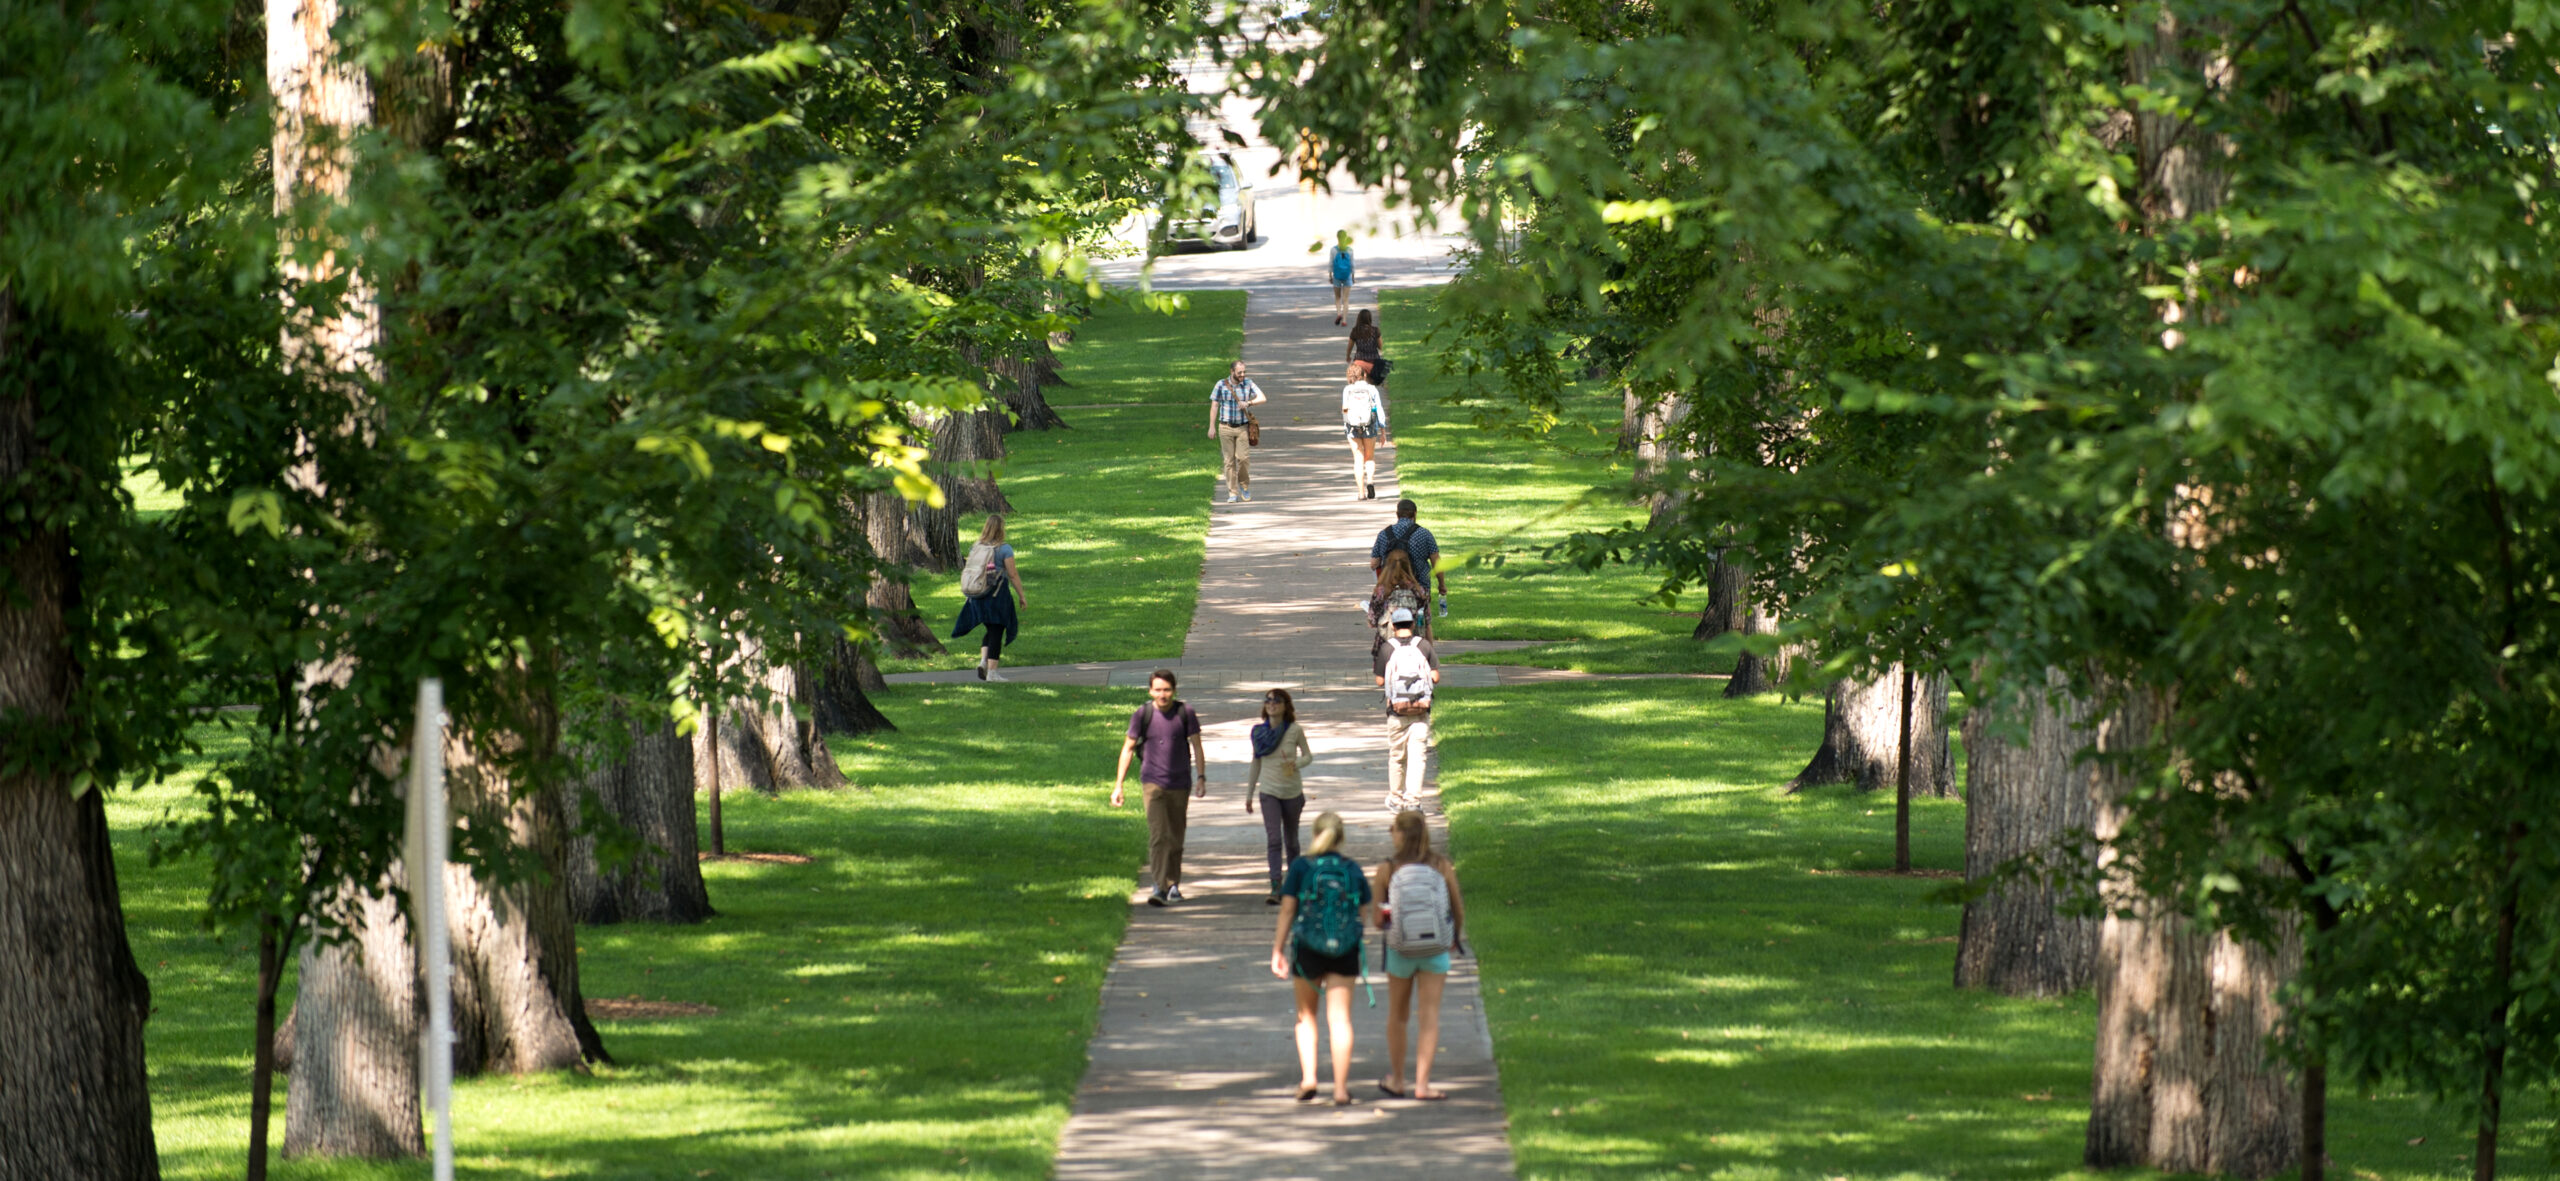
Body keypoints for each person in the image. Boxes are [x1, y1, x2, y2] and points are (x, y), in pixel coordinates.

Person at [1269, 810, 1372, 1105]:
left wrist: (1278, 949)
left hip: (1308, 948)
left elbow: (1288, 910)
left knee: (1306, 1017)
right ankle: (1340, 1089)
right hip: (1345, 950)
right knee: (1340, 1019)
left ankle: (1309, 1079)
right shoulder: (1352, 869)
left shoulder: (1301, 867)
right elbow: (1362, 913)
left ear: (1314, 835)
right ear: (1341, 838)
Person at [1374, 809, 1464, 1101]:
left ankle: (1398, 1080)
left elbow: (1377, 920)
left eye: (1393, 830)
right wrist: (1453, 937)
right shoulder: (1441, 865)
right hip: (1435, 949)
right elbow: (1457, 908)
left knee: (1398, 1015)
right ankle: (1423, 1085)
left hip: (1400, 950)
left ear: (1401, 835)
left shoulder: (1388, 869)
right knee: (1429, 1016)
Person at [1112, 670, 1206, 906]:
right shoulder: (1142, 714)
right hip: (1152, 782)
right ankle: (1158, 886)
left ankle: (1173, 885)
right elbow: (1128, 748)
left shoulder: (1185, 713)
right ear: (1150, 691)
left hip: (1180, 783)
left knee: (1175, 836)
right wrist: (1118, 785)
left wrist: (1201, 777)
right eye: (1158, 690)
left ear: (1174, 690)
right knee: (1158, 835)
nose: (1162, 695)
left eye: (1167, 690)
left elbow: (1197, 746)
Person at [1246, 688, 1317, 904]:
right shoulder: (1259, 733)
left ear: (1286, 706)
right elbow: (1256, 763)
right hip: (1269, 792)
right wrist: (1249, 794)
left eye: (1277, 701)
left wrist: (1296, 763)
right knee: (1274, 839)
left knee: (1292, 841)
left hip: (1292, 792)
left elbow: (1308, 756)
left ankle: (1294, 885)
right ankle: (1275, 886)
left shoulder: (1295, 730)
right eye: (1267, 700)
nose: (1272, 704)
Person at [1373, 608, 1439, 812]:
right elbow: (1435, 677)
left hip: (1396, 712)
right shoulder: (1423, 646)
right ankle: (1413, 801)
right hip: (1421, 711)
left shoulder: (1387, 648)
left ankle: (1396, 798)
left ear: (1393, 626)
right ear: (1412, 624)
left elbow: (1379, 681)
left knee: (1397, 756)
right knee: (1418, 757)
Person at [952, 515, 1026, 681]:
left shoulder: (976, 547)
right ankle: (992, 673)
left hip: (977, 595)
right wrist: (1022, 596)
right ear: (1001, 529)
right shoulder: (1004, 549)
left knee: (991, 630)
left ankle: (983, 663)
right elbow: (1013, 575)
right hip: (996, 596)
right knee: (996, 631)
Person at [1371, 499, 1447, 616]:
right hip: (1419, 588)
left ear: (1397, 514)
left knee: (1391, 617)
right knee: (1422, 619)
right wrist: (1441, 584)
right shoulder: (1425, 534)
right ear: (1415, 513)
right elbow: (1436, 563)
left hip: (1391, 589)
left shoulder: (1384, 534)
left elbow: (1374, 563)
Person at [1207, 360, 1267, 505]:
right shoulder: (1221, 384)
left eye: (1244, 372)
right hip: (1225, 427)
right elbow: (1214, 405)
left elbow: (1263, 398)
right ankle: (1232, 493)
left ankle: (1244, 486)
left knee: (1243, 459)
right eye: (1239, 373)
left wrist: (1249, 403)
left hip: (1242, 428)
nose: (1242, 375)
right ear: (1232, 372)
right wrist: (1211, 426)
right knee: (1228, 461)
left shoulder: (1248, 383)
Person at [1365, 549, 1432, 647]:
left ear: (1387, 567)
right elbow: (1427, 623)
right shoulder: (1419, 591)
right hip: (1414, 646)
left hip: (1387, 646)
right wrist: (1429, 650)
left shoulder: (1381, 592)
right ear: (1409, 566)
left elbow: (1372, 622)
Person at [1340, 361, 1386, 500]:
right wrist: (1383, 430)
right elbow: (1379, 410)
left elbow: (1345, 409)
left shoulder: (1347, 390)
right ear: (1364, 375)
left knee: (1358, 459)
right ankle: (1370, 481)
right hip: (1370, 426)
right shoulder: (1372, 389)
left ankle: (1361, 493)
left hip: (1352, 427)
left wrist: (1347, 424)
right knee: (1369, 457)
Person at [1344, 308, 1389, 391]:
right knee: (1374, 382)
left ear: (1359, 318)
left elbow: (1350, 347)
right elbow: (1381, 347)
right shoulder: (1375, 330)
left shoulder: (1355, 331)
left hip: (1359, 362)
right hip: (1373, 362)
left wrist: (1348, 356)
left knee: (1358, 381)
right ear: (1370, 318)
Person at [1327, 232, 1354, 325]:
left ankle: (1339, 313)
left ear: (1337, 237)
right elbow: (1352, 265)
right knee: (1346, 299)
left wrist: (1330, 276)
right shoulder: (1350, 250)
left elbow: (1330, 263)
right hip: (1347, 276)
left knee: (1338, 297)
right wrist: (1353, 277)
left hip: (1337, 276)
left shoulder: (1333, 250)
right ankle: (1344, 320)